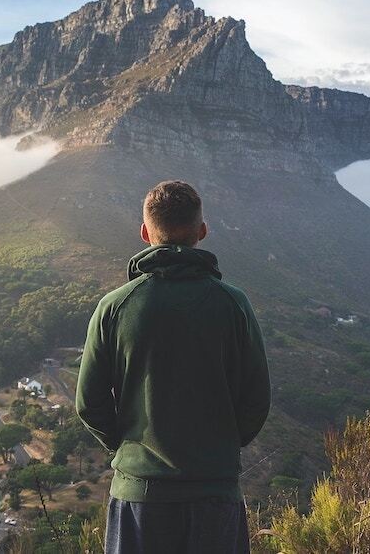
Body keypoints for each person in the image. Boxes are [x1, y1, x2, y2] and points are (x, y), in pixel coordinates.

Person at [76, 180, 271, 554]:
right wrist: (222, 447)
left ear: (145, 232)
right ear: (202, 231)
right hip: (215, 494)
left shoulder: (115, 307)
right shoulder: (233, 304)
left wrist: (128, 450)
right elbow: (257, 400)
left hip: (139, 497)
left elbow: (89, 403)